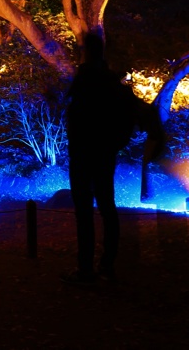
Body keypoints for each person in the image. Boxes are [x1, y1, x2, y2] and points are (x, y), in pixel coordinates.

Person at [62, 32, 163, 285]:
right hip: (104, 153)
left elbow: (74, 115)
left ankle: (86, 269)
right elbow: (142, 111)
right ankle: (106, 265)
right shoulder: (111, 84)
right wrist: (154, 136)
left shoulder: (84, 80)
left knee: (85, 212)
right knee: (107, 208)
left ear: (85, 51)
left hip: (83, 153)